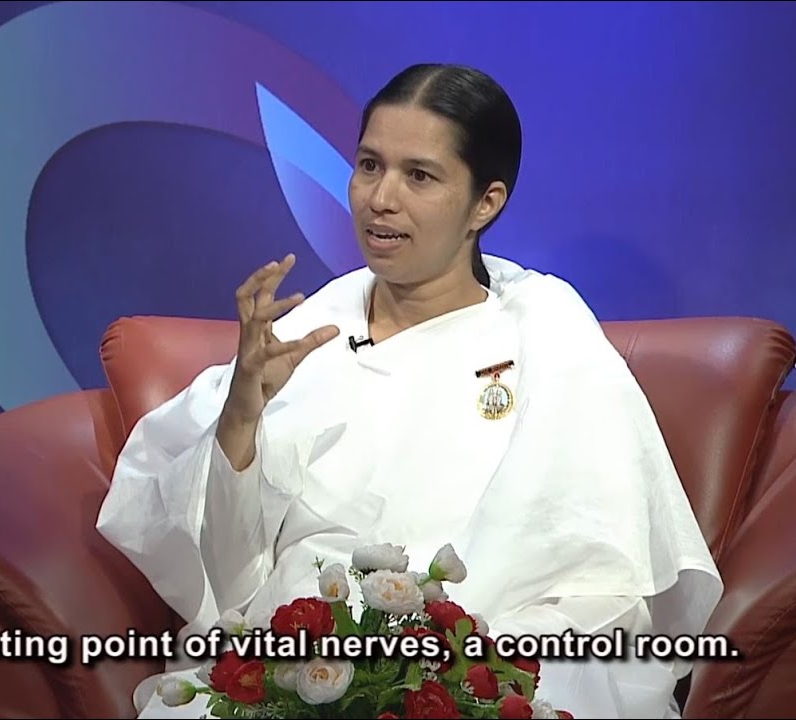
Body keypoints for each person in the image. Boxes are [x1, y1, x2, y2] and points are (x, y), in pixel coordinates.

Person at [96, 63, 723, 719]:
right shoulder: (306, 332)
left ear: (485, 203)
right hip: (311, 647)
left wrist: (462, 658)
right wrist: (241, 417)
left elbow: (597, 561)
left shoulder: (547, 326)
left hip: (490, 642)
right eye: (369, 165)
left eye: (418, 176)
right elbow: (223, 572)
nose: (380, 198)